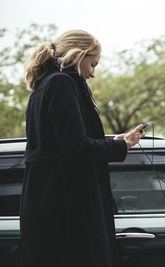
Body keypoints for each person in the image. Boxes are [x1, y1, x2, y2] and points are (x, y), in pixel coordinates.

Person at [19, 29, 145, 267]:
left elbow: (64, 143)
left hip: (48, 199)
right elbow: (76, 149)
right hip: (65, 204)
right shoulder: (62, 83)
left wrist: (114, 142)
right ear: (79, 55)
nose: (93, 73)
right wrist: (121, 147)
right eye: (93, 64)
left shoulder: (44, 85)